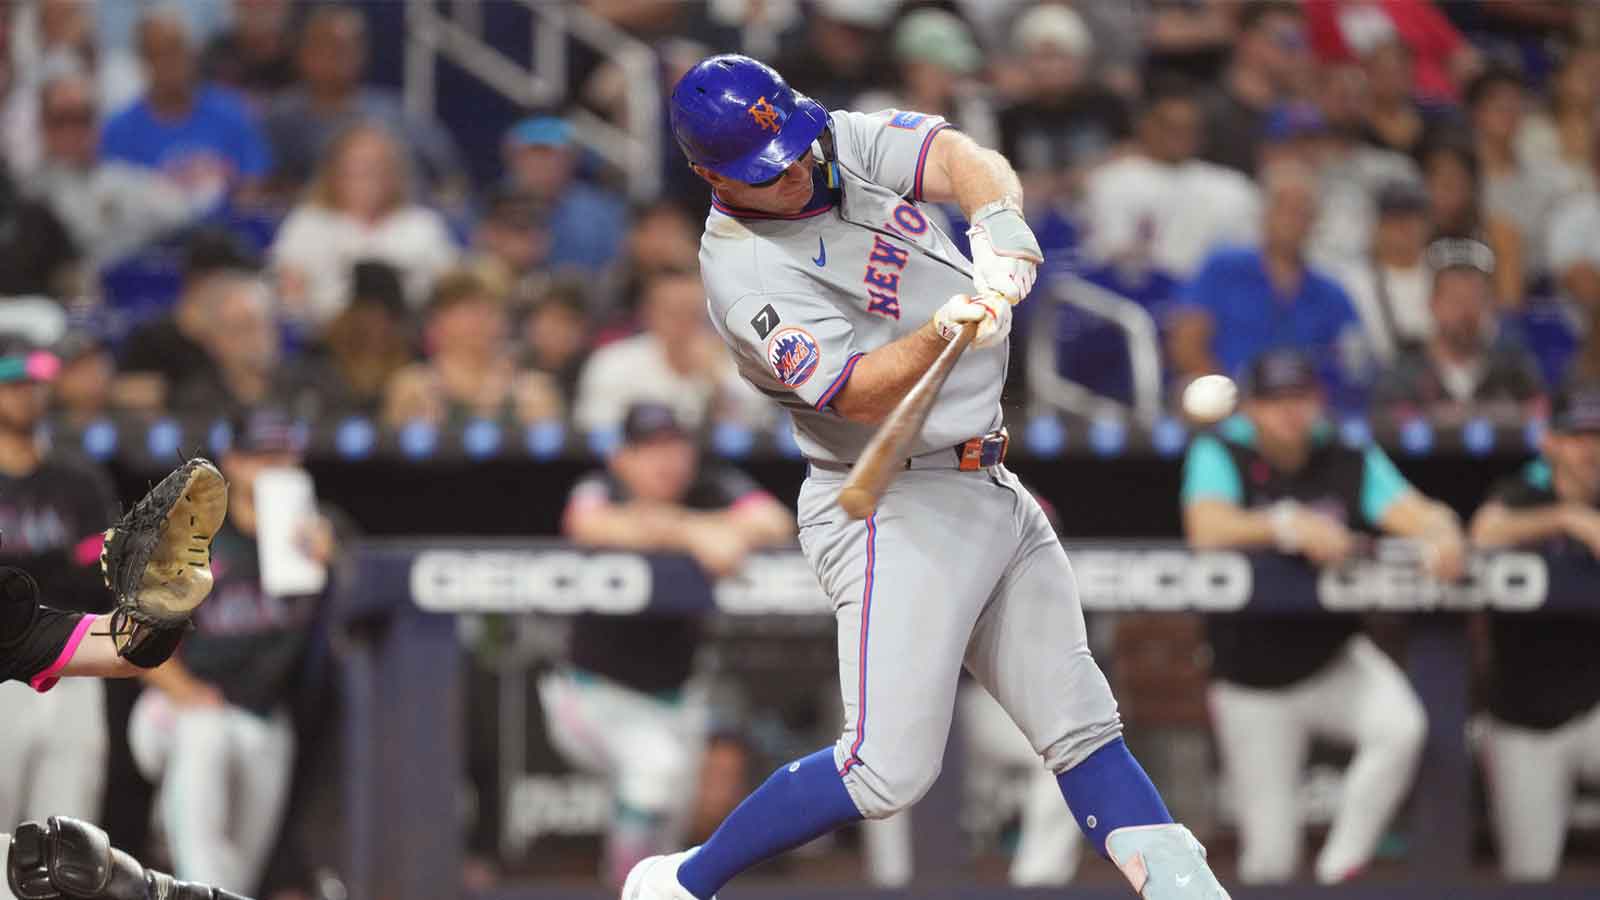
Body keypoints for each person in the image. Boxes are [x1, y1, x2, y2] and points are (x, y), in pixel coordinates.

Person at [624, 53, 1230, 900]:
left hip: (988, 480)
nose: (796, 172)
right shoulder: (742, 267)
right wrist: (937, 333)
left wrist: (998, 222)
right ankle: (679, 884)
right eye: (769, 170)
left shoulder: (825, 140)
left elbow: (954, 157)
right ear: (706, 174)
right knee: (882, 772)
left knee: (1087, 733)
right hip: (890, 501)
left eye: (795, 149)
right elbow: (856, 393)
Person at [1181, 348, 1464, 884]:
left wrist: (1442, 529)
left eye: (1301, 399)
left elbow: (1415, 512)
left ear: (1319, 402)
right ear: (1252, 409)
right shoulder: (1221, 449)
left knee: (1401, 727)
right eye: (1275, 401)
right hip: (1250, 680)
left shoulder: (1345, 454)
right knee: (1270, 859)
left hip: (1332, 658)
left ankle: (1340, 865)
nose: (1290, 412)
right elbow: (1207, 527)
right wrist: (1286, 524)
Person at [544, 402, 795, 887]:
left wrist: (709, 530)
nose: (667, 461)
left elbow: (773, 520)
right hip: (590, 693)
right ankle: (628, 892)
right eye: (650, 449)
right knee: (652, 770)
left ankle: (652, 888)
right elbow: (588, 524)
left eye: (676, 447)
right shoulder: (601, 487)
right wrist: (695, 534)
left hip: (676, 698)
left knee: (674, 813)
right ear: (622, 457)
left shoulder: (710, 487)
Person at [129, 410, 334, 897]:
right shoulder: (196, 534)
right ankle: (172, 821)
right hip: (177, 710)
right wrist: (188, 693)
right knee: (206, 740)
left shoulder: (314, 537)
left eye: (284, 457)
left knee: (238, 872)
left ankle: (176, 828)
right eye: (262, 457)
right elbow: (136, 636)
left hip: (260, 718)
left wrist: (336, 557)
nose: (275, 467)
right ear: (233, 462)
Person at [1468, 379, 1600, 881]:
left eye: (1597, 437)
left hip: (1593, 713)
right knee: (1529, 876)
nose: (1589, 449)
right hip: (1523, 719)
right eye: (1576, 437)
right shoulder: (1525, 489)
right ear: (1550, 442)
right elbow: (1483, 531)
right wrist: (1569, 518)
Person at [0, 336, 119, 861]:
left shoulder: (80, 481)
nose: (28, 396)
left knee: (69, 843)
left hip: (72, 669)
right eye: (14, 384)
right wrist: (55, 569)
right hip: (4, 674)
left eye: (36, 384)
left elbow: (100, 575)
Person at [1167, 161, 1363, 388]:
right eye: (1283, 207)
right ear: (1264, 212)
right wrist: (1231, 400)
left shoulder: (1331, 293)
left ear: (1314, 220)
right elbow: (1186, 346)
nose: (1291, 220)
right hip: (1225, 405)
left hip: (1303, 409)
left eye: (1302, 211)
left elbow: (1353, 365)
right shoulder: (1221, 267)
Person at [259, 4, 466, 199]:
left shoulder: (398, 114)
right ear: (304, 52)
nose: (338, 56)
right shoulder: (281, 119)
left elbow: (450, 180)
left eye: (348, 46)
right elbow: (263, 187)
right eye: (328, 45)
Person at [270, 122, 459, 327]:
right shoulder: (307, 223)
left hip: (409, 337)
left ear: (394, 174)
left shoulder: (423, 225)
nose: (367, 178)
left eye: (376, 168)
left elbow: (450, 290)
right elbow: (289, 294)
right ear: (334, 173)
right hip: (324, 339)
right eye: (356, 168)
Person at [1080, 75, 1259, 285]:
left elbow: (1247, 256)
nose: (1179, 137)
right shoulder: (1110, 181)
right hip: (1134, 294)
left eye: (1188, 128)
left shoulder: (1231, 186)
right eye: (1169, 127)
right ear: (1145, 125)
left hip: (1209, 297)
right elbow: (1106, 257)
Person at [98, 8, 271, 210]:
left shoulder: (231, 113)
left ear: (192, 53)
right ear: (142, 61)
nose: (170, 63)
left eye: (176, 50)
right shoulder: (118, 132)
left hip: (225, 233)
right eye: (158, 54)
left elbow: (254, 184)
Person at [28, 67, 197, 269]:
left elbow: (183, 214)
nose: (73, 131)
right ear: (43, 126)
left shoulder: (126, 180)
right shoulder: (28, 195)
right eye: (61, 120)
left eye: (83, 119)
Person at [573, 269, 768, 434]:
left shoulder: (734, 366)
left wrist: (717, 382)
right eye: (674, 313)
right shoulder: (613, 362)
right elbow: (594, 430)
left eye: (695, 314)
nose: (685, 324)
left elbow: (758, 431)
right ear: (648, 315)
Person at [1372, 239, 1544, 422]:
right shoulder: (1402, 376)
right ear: (1433, 304)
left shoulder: (1515, 375)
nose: (1466, 311)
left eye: (1476, 298)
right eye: (1456, 299)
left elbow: (1542, 429)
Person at [382, 267, 561, 428]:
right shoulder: (411, 387)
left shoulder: (533, 390)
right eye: (467, 308)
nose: (479, 318)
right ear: (438, 320)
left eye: (490, 308)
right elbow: (386, 460)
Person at [995, 4, 1130, 209]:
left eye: (1061, 57)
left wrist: (1091, 171)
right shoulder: (1011, 116)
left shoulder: (1108, 105)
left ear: (1081, 60)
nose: (1052, 68)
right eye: (1043, 58)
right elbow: (1004, 171)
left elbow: (1131, 153)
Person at [115, 228, 256, 413]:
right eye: (231, 280)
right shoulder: (152, 336)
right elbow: (124, 392)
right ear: (201, 281)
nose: (239, 289)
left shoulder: (241, 333)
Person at [500, 115, 628, 274]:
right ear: (513, 159)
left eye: (550, 155)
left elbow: (616, 268)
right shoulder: (492, 206)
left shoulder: (602, 213)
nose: (541, 165)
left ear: (571, 159)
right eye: (532, 154)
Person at [1200, 1, 1309, 175]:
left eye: (1300, 40)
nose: (1295, 49)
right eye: (1286, 38)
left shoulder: (1301, 113)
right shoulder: (1204, 110)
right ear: (1247, 40)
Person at [1332, 181, 1435, 363]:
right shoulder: (1352, 284)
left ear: (1427, 224)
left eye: (1412, 218)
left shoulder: (1444, 275)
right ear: (1377, 225)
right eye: (1393, 220)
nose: (1403, 228)